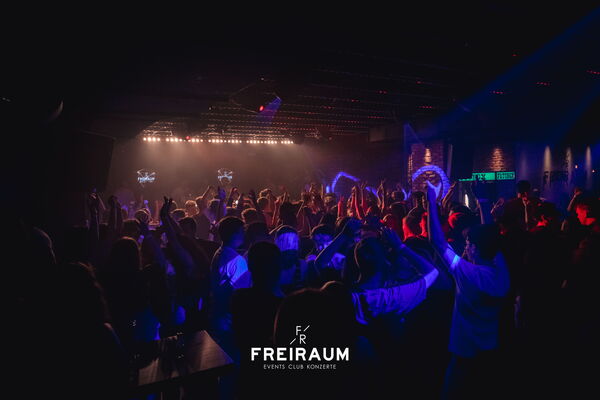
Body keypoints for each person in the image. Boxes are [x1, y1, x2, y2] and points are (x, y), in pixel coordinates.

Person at [425, 182, 510, 399]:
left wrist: (431, 201)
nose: (465, 247)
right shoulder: (501, 270)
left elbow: (437, 242)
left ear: (475, 248)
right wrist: (483, 201)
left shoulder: (468, 273)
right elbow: (490, 236)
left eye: (468, 244)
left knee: (454, 388)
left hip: (463, 347)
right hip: (490, 344)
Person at [209, 216, 251, 355]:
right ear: (233, 234)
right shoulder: (236, 260)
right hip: (230, 319)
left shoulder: (219, 253)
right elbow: (241, 294)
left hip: (219, 314)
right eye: (241, 231)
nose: (244, 235)